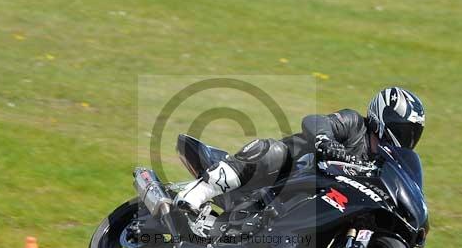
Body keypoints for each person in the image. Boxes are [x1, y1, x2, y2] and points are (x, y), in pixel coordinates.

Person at [175, 87, 426, 211]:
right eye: (403, 130)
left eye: (413, 134)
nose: (406, 138)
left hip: (308, 203)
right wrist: (325, 141)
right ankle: (197, 193)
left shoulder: (381, 165)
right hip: (282, 176)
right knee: (272, 151)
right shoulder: (355, 124)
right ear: (383, 118)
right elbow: (315, 120)